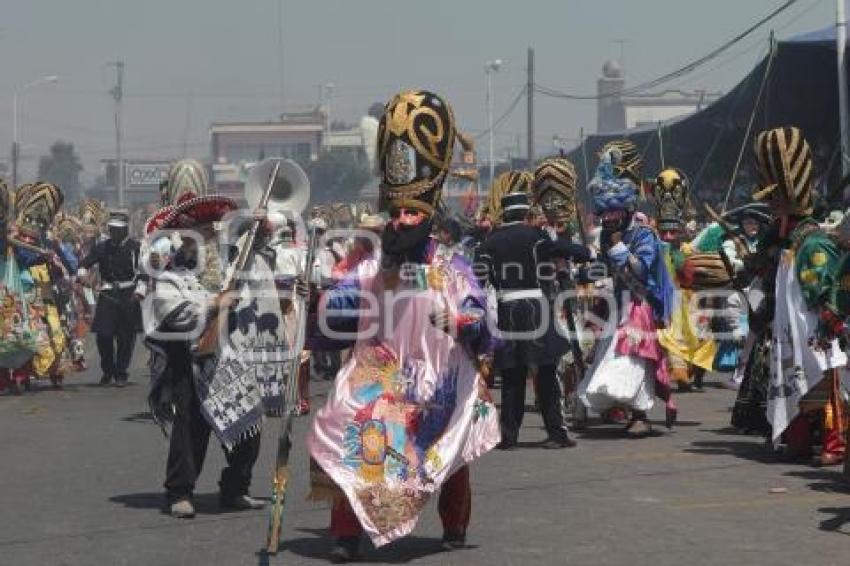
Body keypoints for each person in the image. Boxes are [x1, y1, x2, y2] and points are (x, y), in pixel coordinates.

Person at [307, 90, 499, 562]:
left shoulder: (452, 266)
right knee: (356, 444)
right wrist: (319, 300)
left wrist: (458, 319)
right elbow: (338, 308)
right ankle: (346, 533)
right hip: (379, 374)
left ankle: (455, 526)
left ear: (428, 216)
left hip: (438, 376)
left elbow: (479, 315)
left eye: (411, 212)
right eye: (395, 213)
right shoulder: (372, 267)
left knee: (450, 451)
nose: (401, 220)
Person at [143, 189, 289, 517]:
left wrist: (260, 230)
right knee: (190, 428)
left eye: (212, 230)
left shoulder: (236, 260)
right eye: (201, 231)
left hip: (236, 355)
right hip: (190, 359)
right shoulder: (173, 271)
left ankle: (236, 487)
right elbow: (168, 310)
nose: (208, 236)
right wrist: (212, 303)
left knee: (249, 424)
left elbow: (261, 270)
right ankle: (179, 491)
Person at [749, 126, 847, 466]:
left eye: (775, 205)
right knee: (794, 382)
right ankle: (799, 440)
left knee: (825, 383)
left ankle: (834, 443)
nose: (771, 212)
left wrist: (827, 323)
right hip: (789, 330)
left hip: (816, 330)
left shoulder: (813, 241)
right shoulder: (784, 241)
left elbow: (825, 288)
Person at [577, 146, 676, 437]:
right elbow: (604, 269)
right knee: (608, 357)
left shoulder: (644, 235)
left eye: (614, 214)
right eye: (605, 216)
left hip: (639, 305)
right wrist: (581, 269)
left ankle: (641, 415)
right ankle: (619, 408)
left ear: (628, 211)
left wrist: (619, 246)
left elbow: (641, 270)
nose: (609, 220)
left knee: (635, 359)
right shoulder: (608, 236)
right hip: (616, 305)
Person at [480, 190, 579, 450]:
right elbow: (562, 249)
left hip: (507, 309)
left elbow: (478, 280)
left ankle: (509, 436)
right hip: (536, 306)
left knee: (513, 375)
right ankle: (556, 434)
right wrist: (585, 252)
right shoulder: (536, 236)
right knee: (545, 371)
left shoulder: (490, 241)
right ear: (525, 213)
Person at [79, 210, 141, 386]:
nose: (115, 232)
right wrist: (83, 276)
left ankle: (121, 372)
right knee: (103, 335)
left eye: (118, 229)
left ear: (125, 229)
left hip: (128, 293)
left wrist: (140, 292)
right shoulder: (102, 247)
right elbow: (84, 264)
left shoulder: (135, 247)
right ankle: (108, 369)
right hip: (107, 293)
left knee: (125, 337)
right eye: (112, 228)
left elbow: (142, 272)